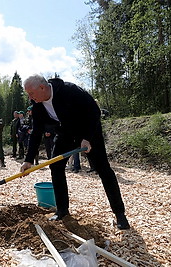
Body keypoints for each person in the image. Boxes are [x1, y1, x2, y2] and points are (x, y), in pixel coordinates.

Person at [20, 75, 130, 230]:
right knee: (56, 167)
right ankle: (62, 210)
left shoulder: (69, 90)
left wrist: (87, 138)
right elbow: (36, 132)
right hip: (65, 134)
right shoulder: (37, 104)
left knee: (103, 169)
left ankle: (120, 214)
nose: (30, 98)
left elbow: (94, 112)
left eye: (31, 93)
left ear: (42, 88)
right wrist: (28, 159)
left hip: (89, 132)